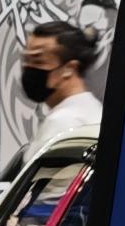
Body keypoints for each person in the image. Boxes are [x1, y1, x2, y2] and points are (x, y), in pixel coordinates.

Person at [19, 18, 104, 158]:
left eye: (38, 61)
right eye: (26, 60)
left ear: (69, 68)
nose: (28, 68)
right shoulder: (93, 109)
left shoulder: (64, 122)